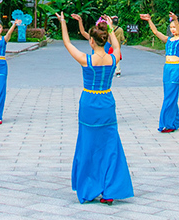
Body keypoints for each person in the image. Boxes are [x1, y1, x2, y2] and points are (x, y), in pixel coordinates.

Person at [56, 12, 134, 205]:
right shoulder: (113, 59)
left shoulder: (86, 60)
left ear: (91, 41)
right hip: (107, 101)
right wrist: (109, 28)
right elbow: (116, 47)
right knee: (110, 145)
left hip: (89, 102)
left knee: (88, 145)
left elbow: (67, 43)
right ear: (105, 40)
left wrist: (63, 23)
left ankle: (90, 187)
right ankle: (109, 190)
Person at [140, 12, 179, 132]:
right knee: (169, 95)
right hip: (167, 68)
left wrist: (176, 19)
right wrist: (149, 20)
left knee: (169, 96)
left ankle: (168, 124)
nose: (173, 29)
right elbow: (156, 32)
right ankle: (176, 121)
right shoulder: (168, 40)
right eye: (171, 27)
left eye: (175, 27)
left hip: (176, 68)